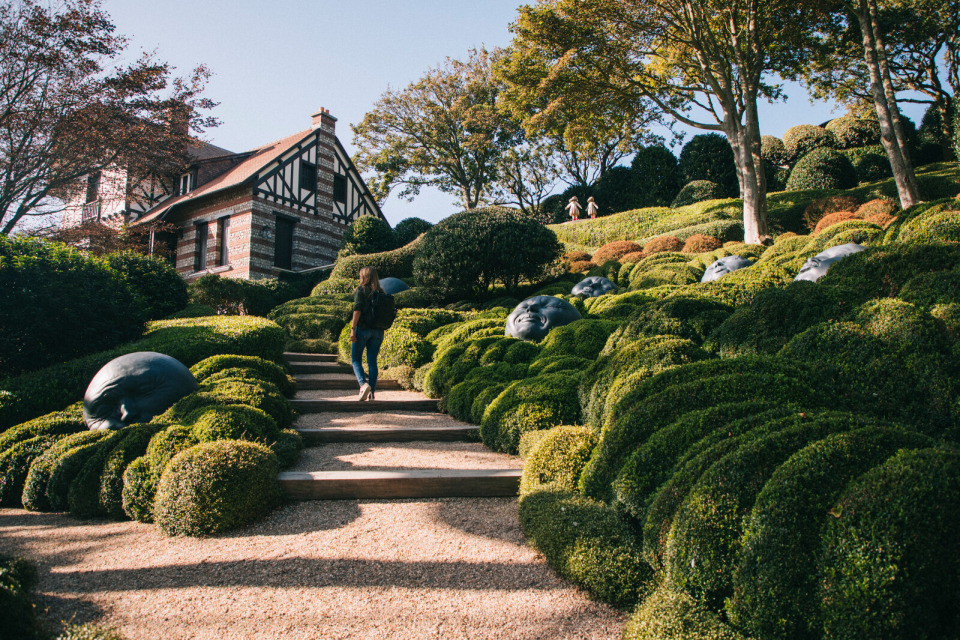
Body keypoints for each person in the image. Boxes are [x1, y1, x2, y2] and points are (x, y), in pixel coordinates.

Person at [350, 266, 386, 401]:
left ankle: (363, 385)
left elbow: (357, 310)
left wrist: (353, 328)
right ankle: (372, 393)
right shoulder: (381, 292)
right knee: (372, 362)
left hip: (363, 329)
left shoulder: (361, 290)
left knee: (355, 360)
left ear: (364, 276)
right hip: (378, 331)